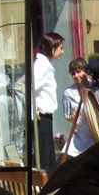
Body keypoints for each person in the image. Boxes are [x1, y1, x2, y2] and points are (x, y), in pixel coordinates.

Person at [61, 58, 99, 159]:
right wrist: (72, 117)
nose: (76, 76)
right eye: (73, 73)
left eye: (78, 72)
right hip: (78, 137)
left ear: (85, 72)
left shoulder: (96, 89)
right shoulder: (68, 93)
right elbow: (67, 115)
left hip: (95, 136)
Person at [34, 32, 64, 176]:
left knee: (47, 153)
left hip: (45, 116)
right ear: (52, 48)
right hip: (41, 116)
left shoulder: (45, 65)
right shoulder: (42, 65)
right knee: (45, 156)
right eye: (60, 48)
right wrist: (35, 109)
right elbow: (30, 87)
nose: (62, 52)